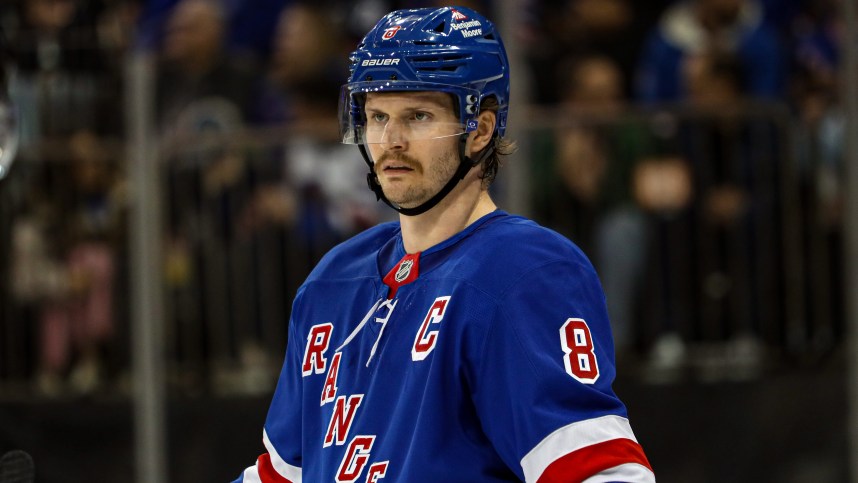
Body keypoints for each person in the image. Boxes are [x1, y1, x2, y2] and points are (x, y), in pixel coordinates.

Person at [234, 6, 654, 482]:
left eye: (417, 115)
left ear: (480, 129)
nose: (390, 140)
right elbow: (281, 476)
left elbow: (602, 474)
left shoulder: (525, 272)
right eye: (376, 116)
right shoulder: (331, 280)